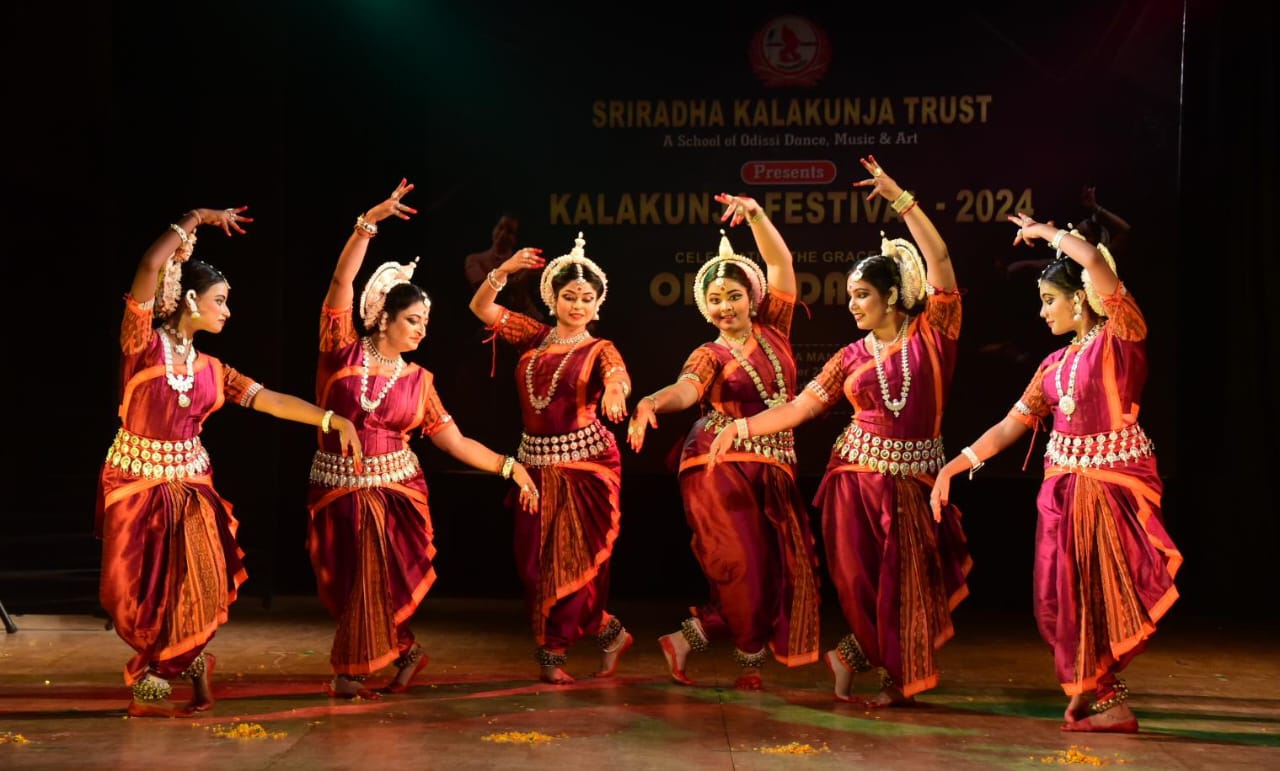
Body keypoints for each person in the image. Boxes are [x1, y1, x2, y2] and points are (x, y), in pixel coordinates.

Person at [707, 156, 970, 707]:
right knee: (863, 586)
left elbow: (941, 258)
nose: (851, 304)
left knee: (910, 585)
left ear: (891, 295)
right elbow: (802, 406)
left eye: (862, 294)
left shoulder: (934, 331)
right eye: (850, 295)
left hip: (914, 484)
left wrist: (901, 200)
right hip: (853, 483)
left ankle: (854, 658)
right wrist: (743, 426)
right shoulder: (848, 356)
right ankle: (888, 675)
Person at [97, 206, 362, 717]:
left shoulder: (216, 370)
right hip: (133, 483)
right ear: (189, 299)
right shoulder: (141, 344)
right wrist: (194, 218)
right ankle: (187, 665)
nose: (228, 312)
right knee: (127, 594)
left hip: (193, 487)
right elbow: (150, 266)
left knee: (198, 582)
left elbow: (273, 400)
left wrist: (331, 419)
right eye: (220, 301)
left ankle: (161, 676)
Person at [930, 211, 1181, 734]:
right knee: (1059, 600)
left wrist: (1047, 235)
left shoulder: (1122, 335)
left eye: (1049, 300)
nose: (1042, 312)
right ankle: (1094, 690)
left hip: (1112, 488)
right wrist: (955, 465)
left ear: (1081, 298)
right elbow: (1010, 425)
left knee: (1107, 595)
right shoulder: (1050, 366)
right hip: (1061, 495)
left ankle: (1111, 698)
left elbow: (1094, 262)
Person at [309, 180, 538, 700]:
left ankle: (349, 673)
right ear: (383, 318)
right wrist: (368, 223)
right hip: (333, 490)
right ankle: (406, 651)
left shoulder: (419, 382)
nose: (420, 331)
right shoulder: (339, 350)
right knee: (344, 586)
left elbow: (455, 442)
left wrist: (508, 466)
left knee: (371, 579)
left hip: (394, 495)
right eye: (412, 320)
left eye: (425, 323)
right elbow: (342, 281)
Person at [627, 193, 820, 690]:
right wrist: (651, 401)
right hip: (716, 461)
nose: (724, 307)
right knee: (742, 563)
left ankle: (688, 639)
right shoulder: (708, 353)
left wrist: (756, 216)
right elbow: (687, 388)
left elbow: (781, 263)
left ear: (752, 298)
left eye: (733, 296)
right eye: (714, 299)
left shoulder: (776, 328)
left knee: (774, 569)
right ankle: (749, 659)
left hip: (773, 463)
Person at [468, 231, 633, 685]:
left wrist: (616, 391)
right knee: (533, 564)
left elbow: (617, 376)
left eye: (586, 299)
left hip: (586, 466)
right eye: (569, 297)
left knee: (576, 561)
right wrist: (504, 270)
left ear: (598, 305)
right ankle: (608, 631)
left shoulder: (600, 348)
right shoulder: (533, 336)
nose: (577, 305)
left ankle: (553, 650)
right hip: (534, 467)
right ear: (553, 299)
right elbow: (481, 308)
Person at [463, 211, 542, 320]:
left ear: (516, 238)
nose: (503, 234)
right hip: (493, 320)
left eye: (510, 231)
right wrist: (521, 277)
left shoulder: (526, 261)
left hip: (528, 318)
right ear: (494, 228)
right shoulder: (475, 260)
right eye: (500, 227)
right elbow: (484, 292)